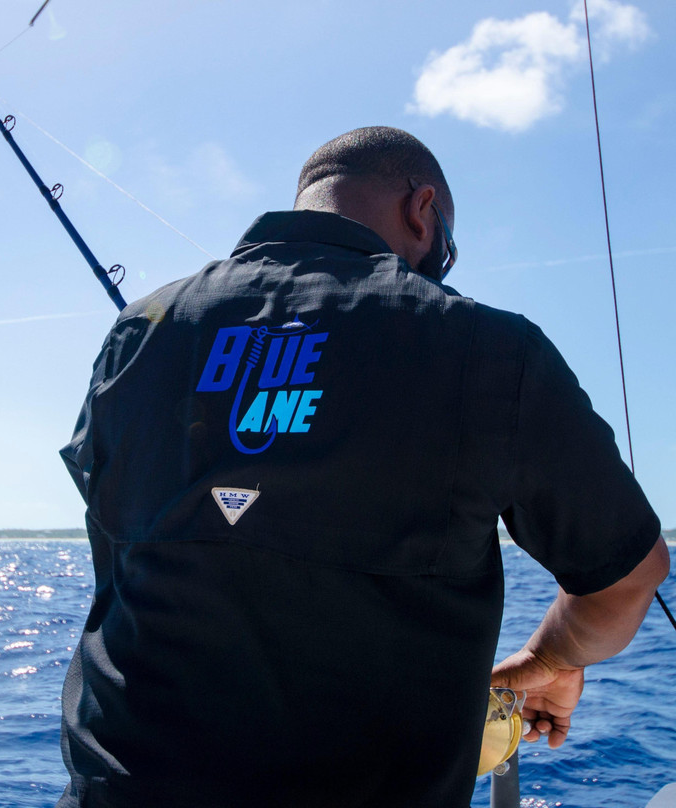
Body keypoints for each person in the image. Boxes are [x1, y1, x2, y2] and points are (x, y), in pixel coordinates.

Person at [56, 126, 668, 807]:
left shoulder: (137, 330)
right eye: (448, 249)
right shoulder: (492, 348)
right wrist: (553, 658)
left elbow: (113, 543)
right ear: (421, 210)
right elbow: (627, 578)